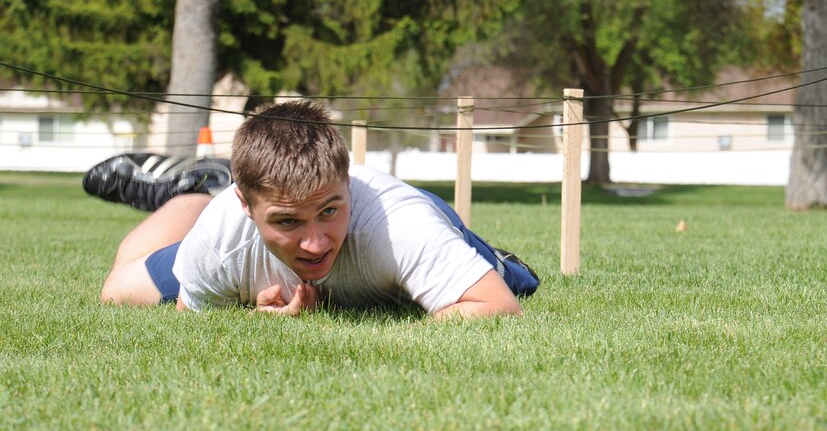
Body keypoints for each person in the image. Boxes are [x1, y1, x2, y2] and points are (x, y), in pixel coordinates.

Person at [83, 100, 539, 318]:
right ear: (245, 204)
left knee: (515, 283)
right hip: (221, 213)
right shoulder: (221, 234)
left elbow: (496, 308)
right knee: (116, 291)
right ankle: (192, 194)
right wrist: (251, 313)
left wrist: (386, 327)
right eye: (287, 221)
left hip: (424, 218)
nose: (315, 242)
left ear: (348, 182)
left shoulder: (399, 226)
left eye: (328, 210)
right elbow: (194, 316)